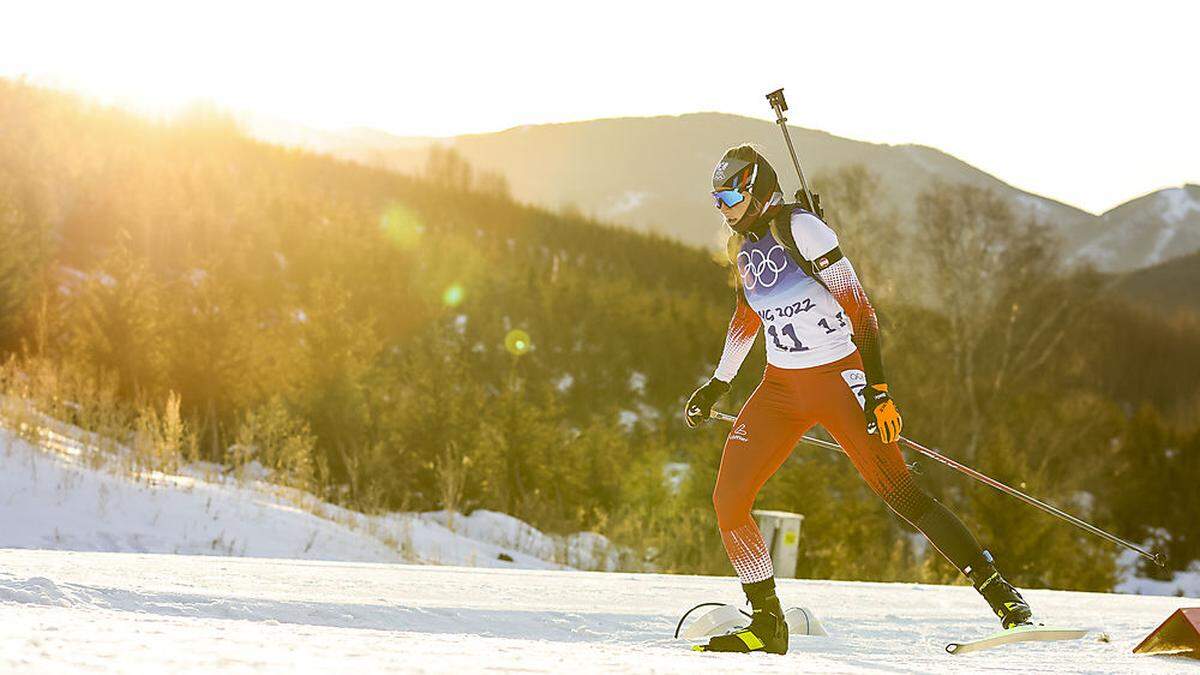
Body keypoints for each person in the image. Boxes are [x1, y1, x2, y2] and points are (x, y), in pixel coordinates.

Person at [684, 144, 1032, 655]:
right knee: (729, 501)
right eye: (716, 199)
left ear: (757, 189)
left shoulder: (800, 229)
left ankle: (1003, 597)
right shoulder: (744, 247)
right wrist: (720, 382)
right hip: (779, 387)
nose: (723, 207)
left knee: (903, 494)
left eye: (731, 194)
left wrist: (880, 393)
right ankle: (767, 624)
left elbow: (863, 313)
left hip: (838, 380)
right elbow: (746, 319)